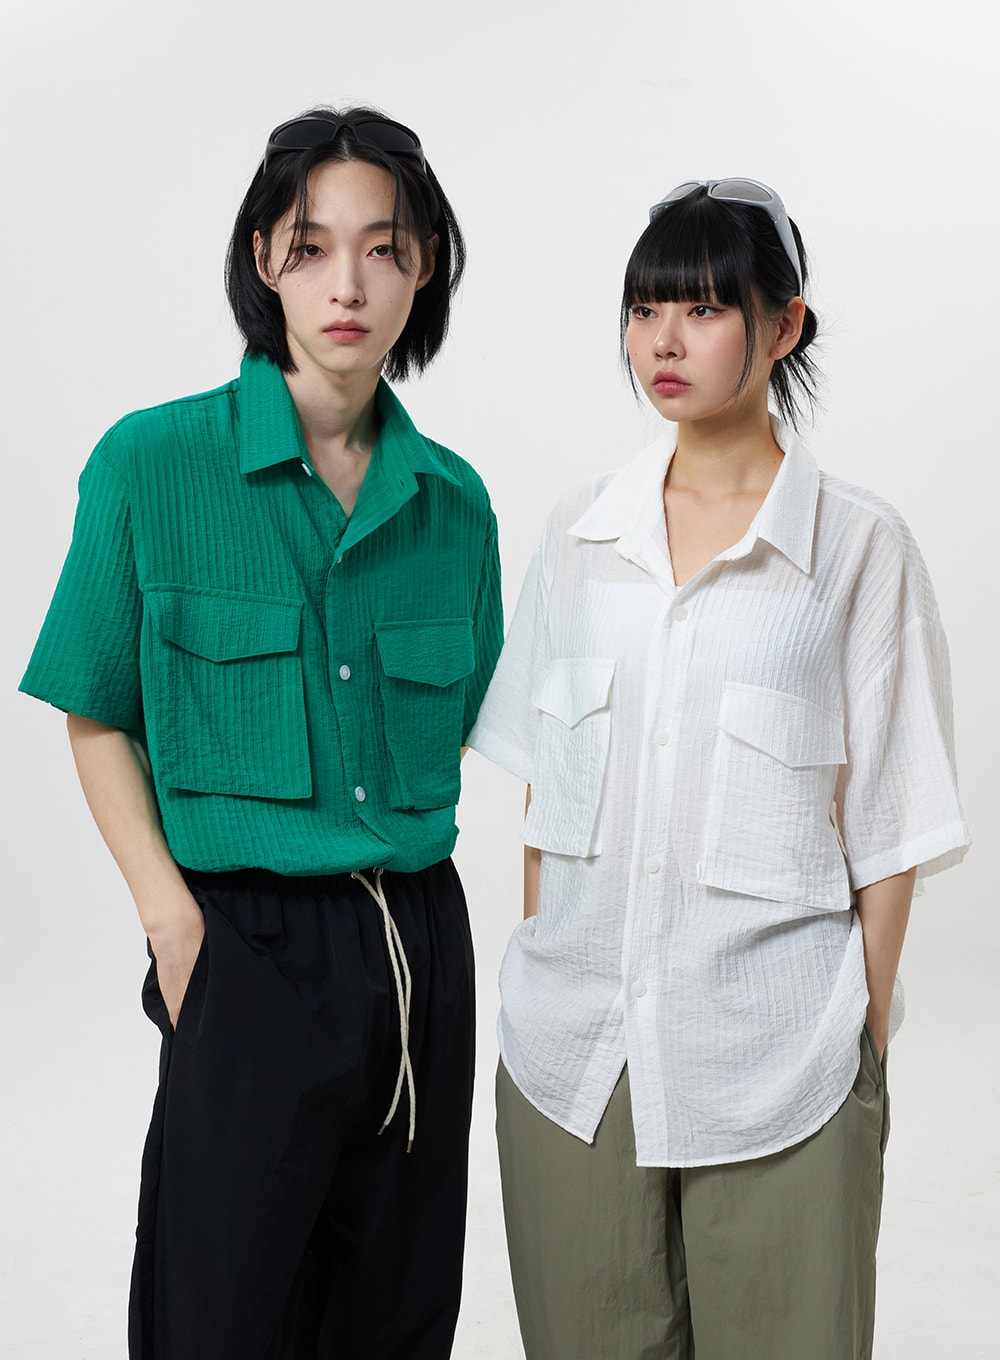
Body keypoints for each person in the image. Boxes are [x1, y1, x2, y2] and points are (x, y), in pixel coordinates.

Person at [19, 107, 502, 1360]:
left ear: (424, 267)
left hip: (419, 948)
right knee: (218, 1321)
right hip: (244, 945)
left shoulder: (454, 504)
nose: (348, 285)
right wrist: (173, 924)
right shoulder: (151, 464)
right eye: (312, 246)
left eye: (383, 249)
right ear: (262, 259)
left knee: (395, 1316)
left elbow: (456, 723)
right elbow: (94, 712)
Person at [468, 178, 969, 1360]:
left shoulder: (857, 549)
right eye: (645, 308)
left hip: (783, 1061)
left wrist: (857, 1045)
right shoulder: (578, 534)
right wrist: (543, 967)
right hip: (574, 1063)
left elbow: (892, 823)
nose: (663, 341)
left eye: (701, 308)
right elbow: (548, 792)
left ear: (782, 324)